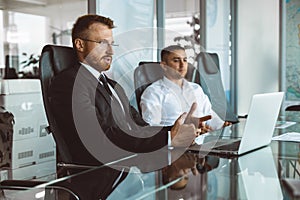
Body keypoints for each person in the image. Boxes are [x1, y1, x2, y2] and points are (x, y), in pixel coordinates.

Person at [48, 15, 198, 166]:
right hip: (100, 173)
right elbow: (99, 137)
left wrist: (176, 130)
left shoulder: (113, 86)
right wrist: (168, 138)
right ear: (80, 45)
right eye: (102, 43)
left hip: (129, 164)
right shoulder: (69, 83)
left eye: (112, 44)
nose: (111, 51)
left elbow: (139, 125)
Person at [140, 45, 230, 131]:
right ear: (164, 66)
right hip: (176, 144)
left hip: (202, 142)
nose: (182, 65)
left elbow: (209, 115)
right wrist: (183, 129)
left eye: (185, 60)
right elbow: (152, 129)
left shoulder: (196, 89)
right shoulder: (153, 93)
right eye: (176, 60)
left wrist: (223, 126)